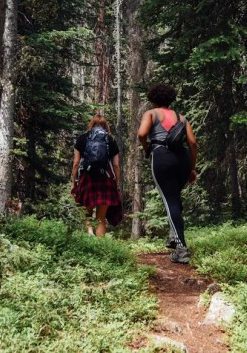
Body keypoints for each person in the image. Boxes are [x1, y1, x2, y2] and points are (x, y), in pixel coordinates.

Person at [137, 83, 197, 264]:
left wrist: (147, 147)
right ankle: (173, 237)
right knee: (175, 198)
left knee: (170, 200)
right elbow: (193, 143)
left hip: (162, 157)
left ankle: (181, 249)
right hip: (183, 158)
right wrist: (192, 168)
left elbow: (141, 134)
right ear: (171, 99)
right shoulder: (182, 118)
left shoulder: (151, 114)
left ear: (152, 99)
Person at [71, 113, 123, 237]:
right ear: (106, 126)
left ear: (91, 125)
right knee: (101, 218)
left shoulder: (82, 138)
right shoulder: (111, 139)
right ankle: (100, 247)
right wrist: (115, 183)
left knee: (86, 215)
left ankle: (89, 235)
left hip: (87, 179)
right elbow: (116, 166)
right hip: (105, 180)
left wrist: (74, 183)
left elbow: (76, 163)